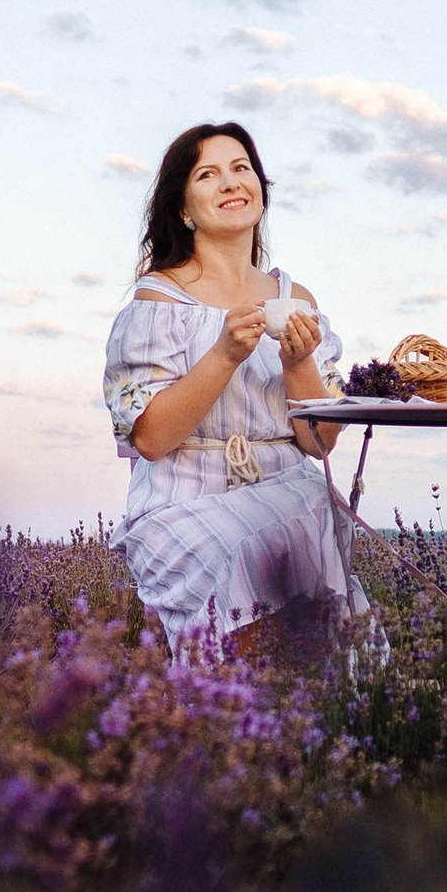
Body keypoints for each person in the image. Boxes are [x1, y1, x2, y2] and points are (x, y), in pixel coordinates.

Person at [102, 121, 370, 651]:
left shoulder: (296, 297)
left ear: (260, 194)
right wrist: (223, 355)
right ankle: (234, 716)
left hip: (287, 488)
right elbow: (151, 440)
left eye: (241, 169)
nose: (230, 183)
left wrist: (299, 364)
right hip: (185, 499)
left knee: (317, 557)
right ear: (183, 205)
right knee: (242, 553)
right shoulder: (158, 301)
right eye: (208, 174)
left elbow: (318, 444)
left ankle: (322, 720)